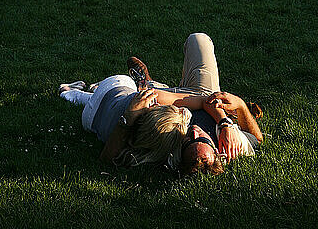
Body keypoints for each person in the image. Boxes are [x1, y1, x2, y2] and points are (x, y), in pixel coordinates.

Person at [128, 32, 263, 175]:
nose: (194, 131)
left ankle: (144, 79)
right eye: (203, 139)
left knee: (145, 94)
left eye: (187, 141)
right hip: (202, 93)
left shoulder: (169, 151)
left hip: (170, 104)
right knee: (198, 39)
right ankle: (148, 84)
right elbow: (257, 139)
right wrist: (239, 108)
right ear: (217, 151)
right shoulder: (229, 145)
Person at [60, 75, 210, 169]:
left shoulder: (146, 100)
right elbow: (106, 159)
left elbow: (203, 99)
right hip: (88, 120)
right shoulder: (149, 151)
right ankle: (70, 93)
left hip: (112, 87)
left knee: (127, 85)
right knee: (95, 101)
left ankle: (83, 91)